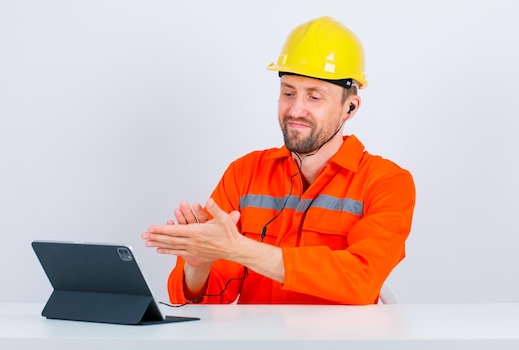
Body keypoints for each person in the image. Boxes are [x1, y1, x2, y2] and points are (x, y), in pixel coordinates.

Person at [142, 16, 415, 305]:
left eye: (314, 97)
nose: (296, 109)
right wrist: (198, 266)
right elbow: (207, 306)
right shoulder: (244, 173)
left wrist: (239, 249)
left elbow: (361, 279)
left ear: (350, 107)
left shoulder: (386, 183)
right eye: (288, 93)